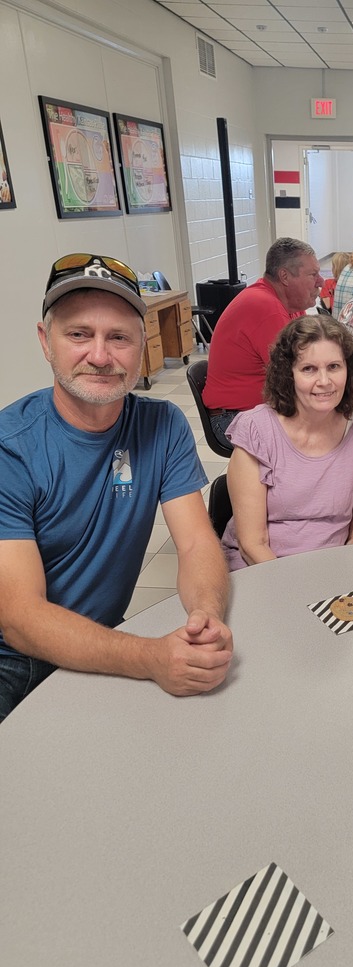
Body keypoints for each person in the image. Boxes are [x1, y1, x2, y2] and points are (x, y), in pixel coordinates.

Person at [0, 254, 233, 721]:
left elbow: (194, 543)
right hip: (13, 663)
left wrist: (206, 615)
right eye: (79, 334)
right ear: (46, 342)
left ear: (141, 346)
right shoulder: (11, 449)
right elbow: (21, 618)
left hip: (102, 639)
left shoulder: (161, 425)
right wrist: (149, 658)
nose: (101, 356)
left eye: (119, 337)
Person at [220, 316, 353, 569]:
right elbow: (252, 544)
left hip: (330, 569)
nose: (324, 381)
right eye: (308, 369)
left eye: (334, 366)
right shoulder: (257, 431)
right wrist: (298, 591)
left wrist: (337, 582)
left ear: (350, 370)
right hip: (260, 567)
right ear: (288, 374)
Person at [202, 238, 324, 447]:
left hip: (258, 411)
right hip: (233, 420)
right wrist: (351, 377)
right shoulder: (265, 306)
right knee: (326, 440)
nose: (321, 281)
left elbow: (318, 349)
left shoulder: (290, 305)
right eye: (313, 274)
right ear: (284, 276)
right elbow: (296, 375)